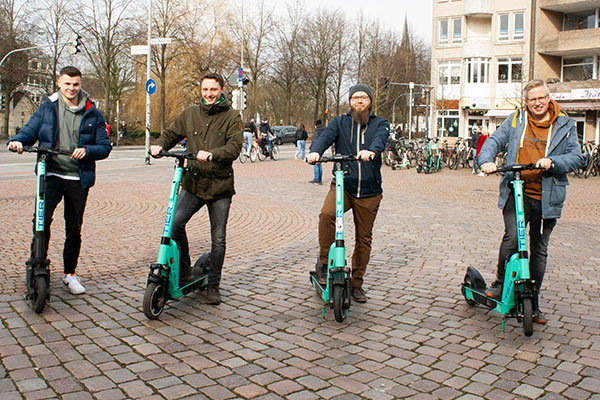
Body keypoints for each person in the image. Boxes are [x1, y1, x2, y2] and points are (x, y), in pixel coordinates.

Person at [478, 79, 583, 324]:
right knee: (513, 237)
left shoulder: (565, 124)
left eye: (541, 98)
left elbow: (576, 157)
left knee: (539, 248)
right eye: (532, 99)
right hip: (517, 191)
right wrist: (486, 160)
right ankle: (501, 282)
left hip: (548, 196)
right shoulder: (517, 119)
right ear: (526, 102)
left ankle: (532, 301)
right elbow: (494, 140)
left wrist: (554, 162)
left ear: (549, 98)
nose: (537, 103)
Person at [7, 66, 112, 295]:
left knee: (74, 228)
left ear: (80, 85)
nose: (71, 88)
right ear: (59, 83)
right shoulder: (47, 108)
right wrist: (17, 141)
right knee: (41, 222)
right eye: (67, 84)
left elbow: (105, 147)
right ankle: (38, 266)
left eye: (75, 84)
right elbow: (29, 131)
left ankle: (69, 274)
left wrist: (87, 150)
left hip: (77, 177)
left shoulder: (92, 112)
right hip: (51, 174)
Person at [150, 72, 243, 305]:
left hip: (220, 187)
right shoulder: (190, 114)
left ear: (221, 89)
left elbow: (234, 146)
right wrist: (159, 145)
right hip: (192, 183)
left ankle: (213, 285)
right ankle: (183, 272)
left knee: (218, 238)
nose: (209, 94)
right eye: (205, 90)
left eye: (213, 90)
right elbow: (172, 133)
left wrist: (213, 154)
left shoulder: (233, 116)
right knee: (174, 224)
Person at [306, 84, 389, 303]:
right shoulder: (340, 123)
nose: (359, 101)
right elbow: (325, 137)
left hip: (370, 191)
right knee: (326, 215)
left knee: (364, 239)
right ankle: (325, 264)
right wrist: (315, 151)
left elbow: (380, 140)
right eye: (355, 98)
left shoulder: (380, 123)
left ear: (370, 101)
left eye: (363, 98)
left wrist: (371, 151)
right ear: (350, 101)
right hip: (343, 185)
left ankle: (357, 283)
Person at [308, 120, 325, 184]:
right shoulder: (324, 130)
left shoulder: (317, 131)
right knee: (319, 164)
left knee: (315, 164)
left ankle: (316, 179)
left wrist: (312, 149)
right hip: (321, 149)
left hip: (316, 149)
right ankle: (319, 178)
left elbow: (314, 140)